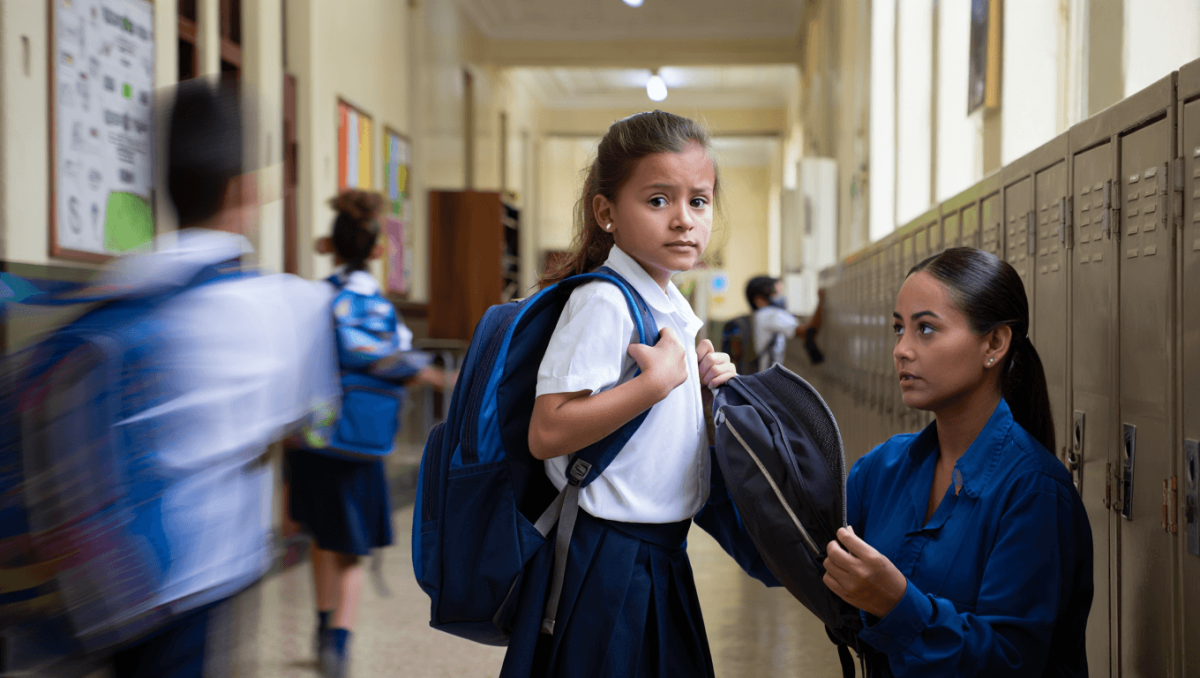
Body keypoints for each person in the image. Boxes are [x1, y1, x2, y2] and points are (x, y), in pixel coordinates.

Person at [78, 78, 340, 677]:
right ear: (245, 189)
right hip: (200, 569)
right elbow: (313, 427)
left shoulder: (117, 284)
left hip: (104, 572)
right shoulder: (287, 306)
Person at [497, 110, 736, 678]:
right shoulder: (605, 301)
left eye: (698, 202)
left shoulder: (668, 302)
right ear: (606, 212)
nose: (683, 220)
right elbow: (547, 430)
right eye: (658, 200)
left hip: (660, 553)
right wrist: (654, 384)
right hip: (606, 560)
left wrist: (701, 393)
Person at [822, 247, 1092, 677]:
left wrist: (897, 605)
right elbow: (797, 552)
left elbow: (1011, 661)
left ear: (994, 343)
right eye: (899, 329)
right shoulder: (883, 468)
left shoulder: (1034, 492)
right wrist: (720, 436)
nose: (901, 350)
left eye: (926, 329)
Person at [286, 189, 451, 678]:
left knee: (322, 536)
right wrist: (434, 376)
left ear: (328, 246)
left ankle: (321, 627)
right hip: (361, 443)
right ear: (378, 250)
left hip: (314, 438)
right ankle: (338, 643)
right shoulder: (379, 309)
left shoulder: (315, 299)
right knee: (351, 551)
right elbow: (398, 364)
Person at [744, 275, 824, 371]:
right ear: (759, 300)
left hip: (764, 374)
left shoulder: (759, 316)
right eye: (773, 293)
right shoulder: (768, 315)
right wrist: (821, 301)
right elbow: (807, 331)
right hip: (769, 376)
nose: (778, 296)